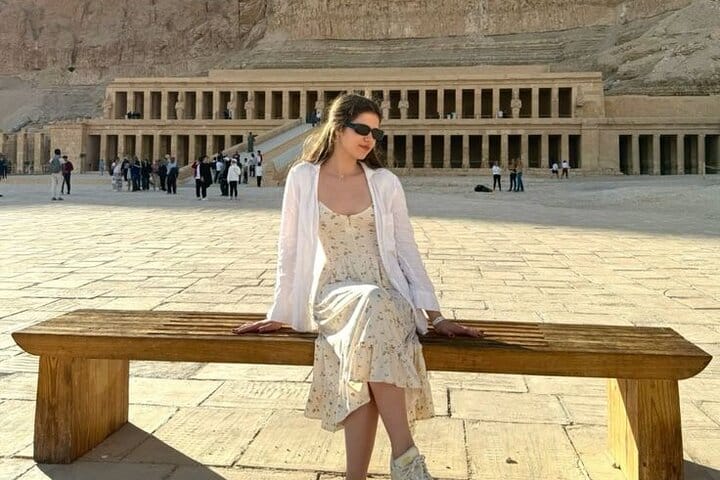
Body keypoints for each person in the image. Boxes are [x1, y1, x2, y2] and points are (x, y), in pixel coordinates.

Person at [232, 94, 479, 480]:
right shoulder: (303, 178)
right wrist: (280, 312)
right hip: (334, 292)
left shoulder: (385, 183)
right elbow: (289, 248)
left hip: (388, 292)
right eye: (362, 129)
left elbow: (407, 250)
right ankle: (406, 458)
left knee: (368, 335)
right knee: (370, 318)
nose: (369, 139)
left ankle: (359, 476)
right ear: (337, 128)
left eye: (376, 133)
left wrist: (436, 316)